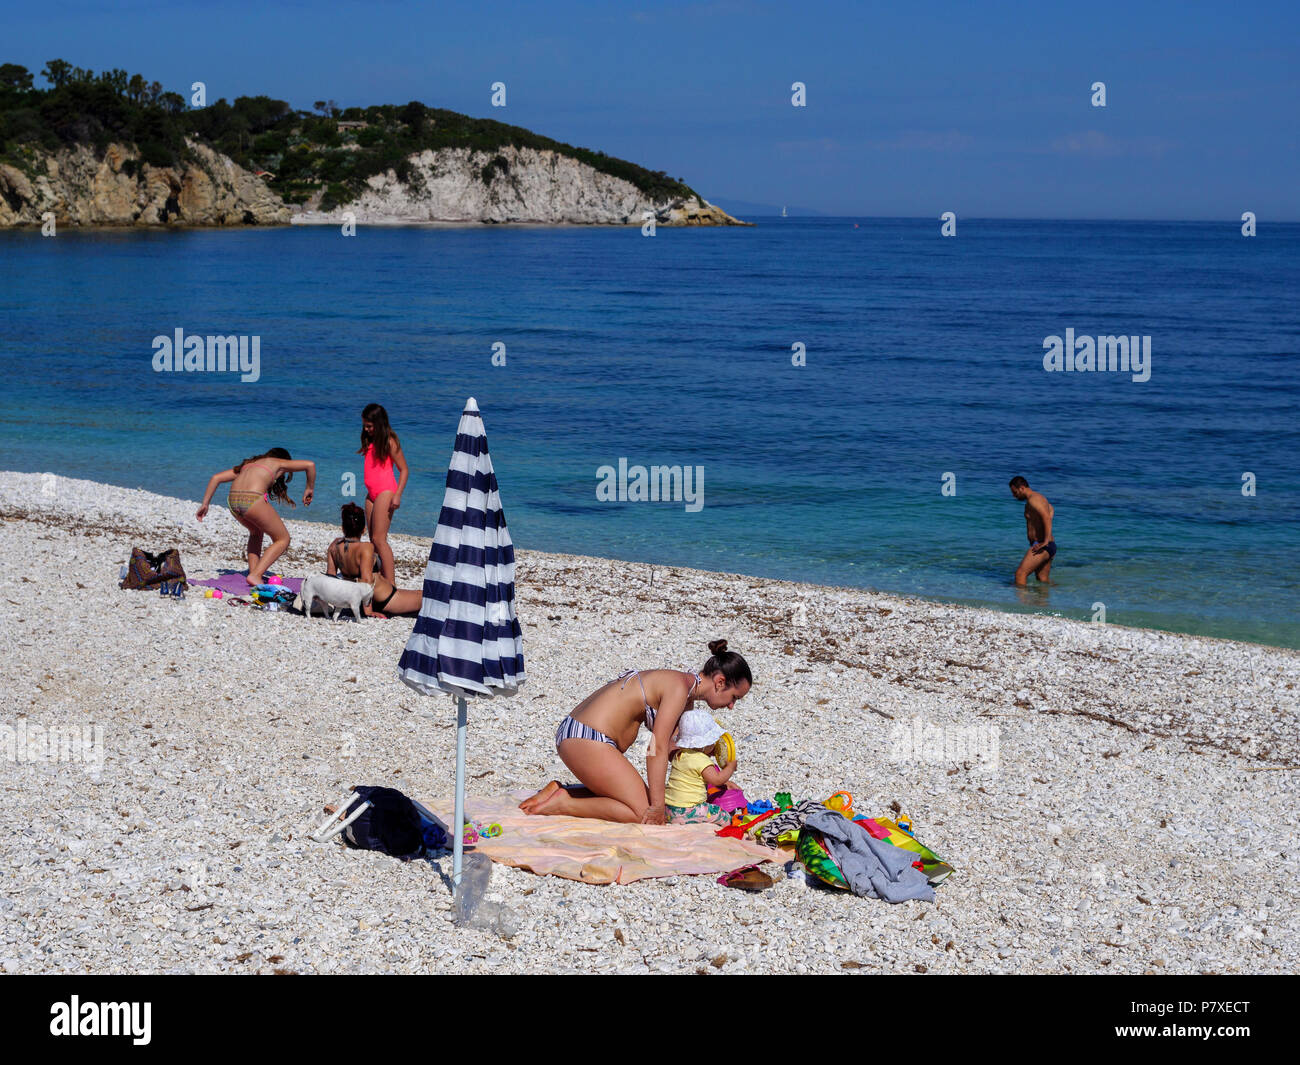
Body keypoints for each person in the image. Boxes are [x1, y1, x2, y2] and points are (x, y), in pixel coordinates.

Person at [519, 640, 753, 825]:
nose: (732, 705)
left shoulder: (685, 692)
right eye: (734, 698)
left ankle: (562, 790)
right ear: (720, 682)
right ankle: (564, 803)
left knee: (649, 799)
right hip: (586, 738)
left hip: (580, 733)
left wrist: (717, 780)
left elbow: (675, 752)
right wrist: (658, 807)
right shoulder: (678, 688)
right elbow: (657, 748)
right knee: (643, 812)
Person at [196, 448, 315, 585]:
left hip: (233, 501)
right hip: (252, 499)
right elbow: (309, 465)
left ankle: (253, 572)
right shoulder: (278, 462)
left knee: (256, 532)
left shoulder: (248, 465)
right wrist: (309, 489)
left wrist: (205, 504)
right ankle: (256, 575)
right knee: (283, 539)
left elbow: (216, 478)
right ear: (284, 460)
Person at [325, 502, 423, 617]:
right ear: (364, 529)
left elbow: (330, 577)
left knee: (419, 594)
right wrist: (368, 612)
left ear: (343, 528)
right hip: (384, 599)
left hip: (359, 600)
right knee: (429, 597)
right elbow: (366, 580)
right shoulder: (365, 548)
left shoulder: (334, 546)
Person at [358, 403, 408, 584]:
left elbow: (404, 470)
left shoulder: (390, 441)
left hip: (386, 492)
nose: (366, 429)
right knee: (373, 540)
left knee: (380, 539)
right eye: (364, 425)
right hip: (371, 495)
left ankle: (391, 583)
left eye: (369, 426)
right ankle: (378, 578)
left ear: (379, 424)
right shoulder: (370, 441)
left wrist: (398, 495)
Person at [663, 709, 737, 825]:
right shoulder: (701, 760)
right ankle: (729, 824)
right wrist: (730, 768)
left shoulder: (679, 755)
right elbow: (717, 780)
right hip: (689, 810)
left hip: (669, 810)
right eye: (712, 742)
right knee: (721, 814)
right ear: (704, 745)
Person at [1009, 475, 1056, 585]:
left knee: (1020, 574)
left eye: (1015, 492)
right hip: (1048, 545)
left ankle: (1021, 602)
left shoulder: (1034, 500)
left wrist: (1045, 541)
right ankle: (1046, 601)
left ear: (1022, 488)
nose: (1014, 496)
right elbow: (1050, 510)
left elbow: (1046, 517)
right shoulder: (1038, 498)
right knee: (1042, 580)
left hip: (1042, 545)